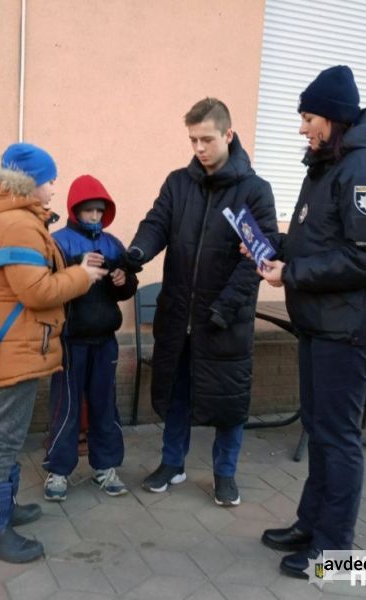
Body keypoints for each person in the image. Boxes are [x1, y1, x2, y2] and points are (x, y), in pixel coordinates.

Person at [251, 66, 366, 578]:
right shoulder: (326, 167)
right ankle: (310, 525)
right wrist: (271, 249)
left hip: (349, 329)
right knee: (320, 431)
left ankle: (335, 548)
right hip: (321, 325)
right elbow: (316, 242)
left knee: (337, 437)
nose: (302, 128)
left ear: (336, 119)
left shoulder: (364, 171)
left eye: (309, 117)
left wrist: (294, 271)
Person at [123, 97, 278, 507]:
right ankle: (172, 463)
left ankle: (224, 474)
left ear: (228, 134)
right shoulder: (179, 183)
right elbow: (157, 223)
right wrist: (138, 251)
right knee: (177, 393)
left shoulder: (255, 191)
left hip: (225, 319)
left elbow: (258, 260)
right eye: (192, 140)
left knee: (229, 403)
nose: (199, 149)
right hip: (178, 317)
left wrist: (225, 307)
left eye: (206, 139)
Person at [0, 144, 107, 563]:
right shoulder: (17, 224)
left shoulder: (13, 218)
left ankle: (2, 511)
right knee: (7, 436)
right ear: (30, 182)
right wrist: (81, 276)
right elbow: (36, 291)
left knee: (8, 434)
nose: (53, 186)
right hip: (17, 345)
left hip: (18, 342)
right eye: (49, 179)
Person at [43, 175, 138, 501]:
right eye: (88, 211)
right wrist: (78, 269)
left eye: (100, 211)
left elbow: (127, 289)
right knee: (65, 408)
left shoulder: (112, 244)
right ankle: (58, 471)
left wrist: (122, 279)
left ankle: (106, 467)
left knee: (105, 406)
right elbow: (49, 285)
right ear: (75, 210)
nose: (95, 217)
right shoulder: (59, 242)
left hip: (105, 340)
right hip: (70, 341)